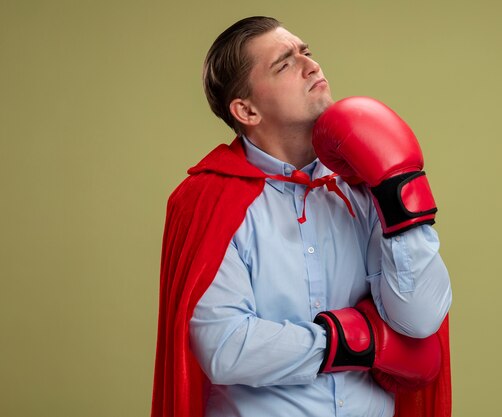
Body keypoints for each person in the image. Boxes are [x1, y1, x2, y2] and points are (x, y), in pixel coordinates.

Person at [151, 16, 452, 417]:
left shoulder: (362, 187)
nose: (311, 65)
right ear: (246, 110)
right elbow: (226, 348)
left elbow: (420, 320)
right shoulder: (207, 200)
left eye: (306, 52)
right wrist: (347, 340)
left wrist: (401, 192)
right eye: (285, 63)